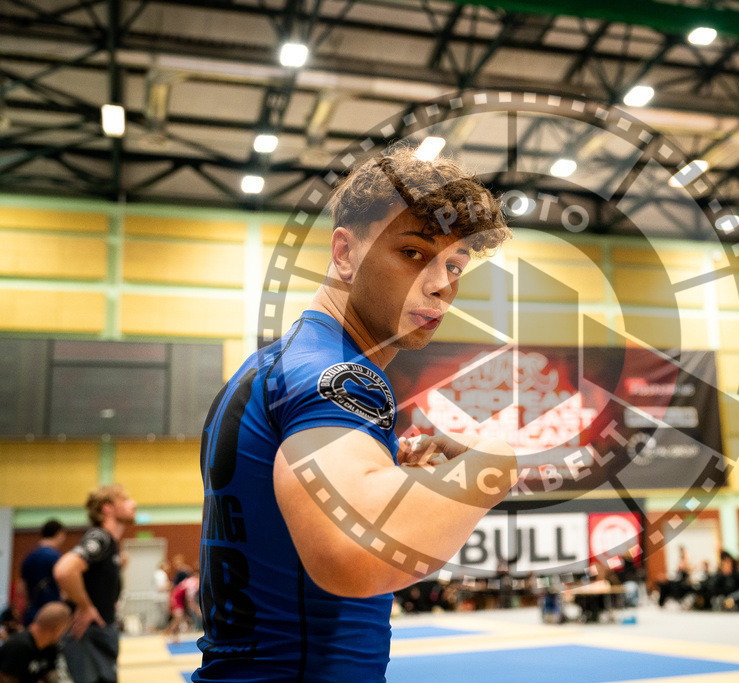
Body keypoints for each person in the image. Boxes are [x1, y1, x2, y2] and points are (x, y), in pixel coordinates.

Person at [193, 148, 516, 682]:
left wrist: (396, 483)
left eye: (454, 264)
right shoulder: (340, 377)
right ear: (344, 253)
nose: (442, 284)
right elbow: (355, 552)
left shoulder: (270, 367)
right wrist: (494, 464)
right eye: (414, 252)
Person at [53, 484, 137, 683]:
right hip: (88, 636)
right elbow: (65, 571)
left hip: (100, 635)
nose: (133, 504)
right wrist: (86, 607)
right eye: (125, 500)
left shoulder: (110, 545)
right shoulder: (100, 537)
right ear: (107, 508)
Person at [0, 602, 71, 683]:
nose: (63, 635)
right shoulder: (18, 647)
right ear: (56, 629)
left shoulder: (50, 647)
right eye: (64, 631)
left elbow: (51, 676)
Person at [20, 521, 67, 627]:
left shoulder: (29, 557)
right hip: (51, 615)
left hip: (31, 614)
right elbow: (64, 588)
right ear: (59, 534)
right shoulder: (55, 557)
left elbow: (22, 588)